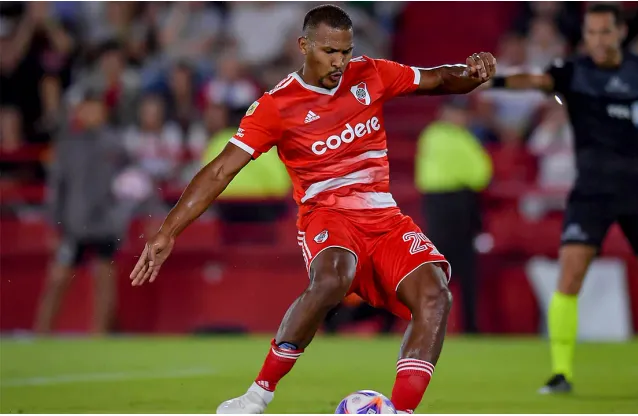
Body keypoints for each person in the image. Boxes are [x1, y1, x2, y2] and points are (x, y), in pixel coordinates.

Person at [129, 4, 496, 414]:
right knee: (332, 278)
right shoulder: (276, 106)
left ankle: (401, 411)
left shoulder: (370, 73)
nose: (340, 62)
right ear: (304, 46)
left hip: (384, 218)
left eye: (346, 51)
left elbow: (439, 79)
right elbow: (219, 172)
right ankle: (257, 395)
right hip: (328, 216)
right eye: (329, 52)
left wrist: (473, 72)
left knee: (436, 294)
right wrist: (168, 232)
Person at [488, 3, 638, 394]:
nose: (598, 40)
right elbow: (534, 81)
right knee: (569, 275)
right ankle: (560, 374)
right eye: (591, 33)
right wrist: (493, 82)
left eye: (605, 32)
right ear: (584, 35)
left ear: (620, 32)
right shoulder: (572, 71)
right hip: (591, 190)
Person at [35, 91, 129, 335]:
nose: (91, 113)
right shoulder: (68, 144)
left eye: (95, 108)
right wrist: (54, 224)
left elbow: (132, 182)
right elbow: (57, 188)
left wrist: (120, 217)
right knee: (58, 279)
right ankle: (41, 334)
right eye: (86, 108)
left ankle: (99, 337)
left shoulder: (115, 144)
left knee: (105, 283)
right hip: (74, 225)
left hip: (105, 225)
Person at [415, 96, 493, 333]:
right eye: (456, 112)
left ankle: (470, 327)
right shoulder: (436, 135)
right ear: (444, 112)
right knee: (434, 269)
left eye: (463, 113)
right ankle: (421, 322)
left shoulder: (463, 138)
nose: (460, 117)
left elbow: (481, 174)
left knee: (466, 270)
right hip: (443, 205)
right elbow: (476, 172)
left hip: (462, 205)